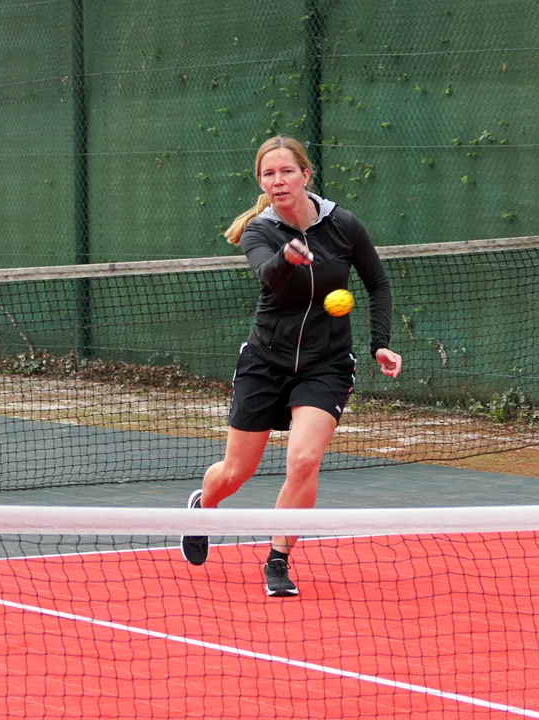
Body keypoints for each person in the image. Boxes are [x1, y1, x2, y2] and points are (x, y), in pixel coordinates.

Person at [180, 135, 402, 597]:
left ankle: (278, 559)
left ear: (305, 174)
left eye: (286, 171)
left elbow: (378, 285)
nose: (277, 181)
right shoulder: (260, 231)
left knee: (303, 461)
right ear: (261, 181)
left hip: (327, 363)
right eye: (268, 174)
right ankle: (204, 506)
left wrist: (381, 344)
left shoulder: (343, 225)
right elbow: (267, 276)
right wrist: (286, 258)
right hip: (266, 361)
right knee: (235, 473)